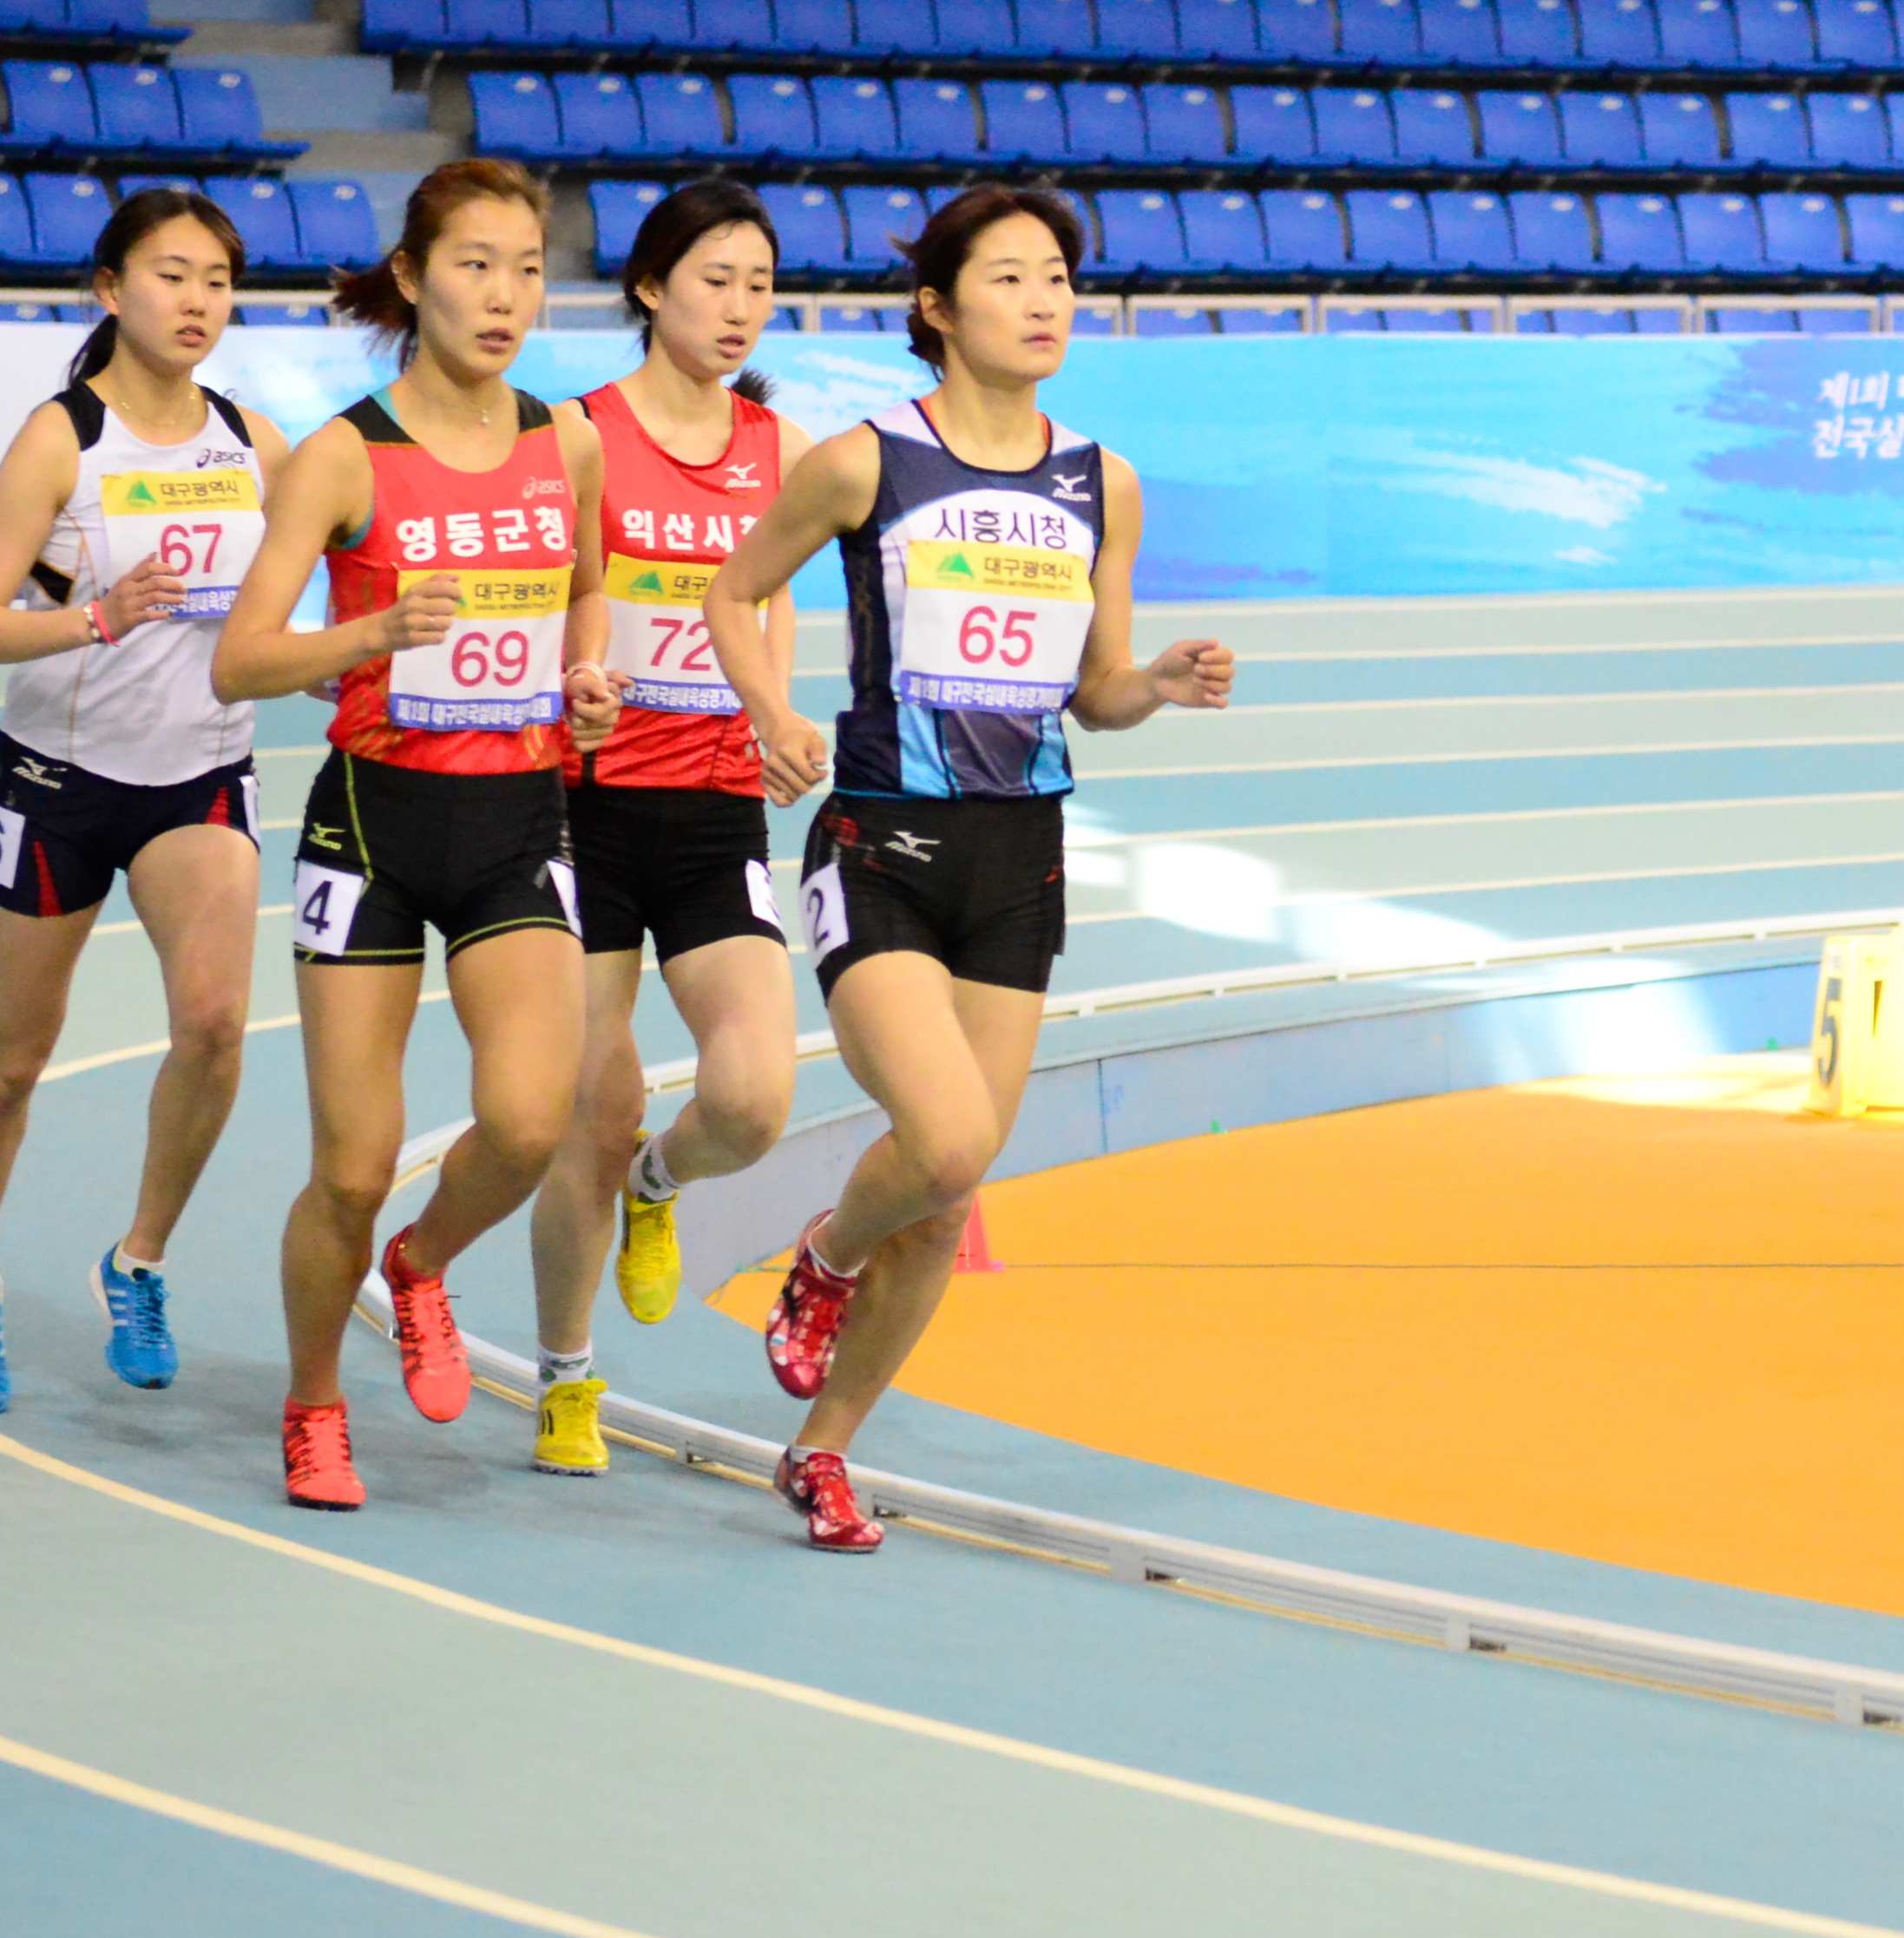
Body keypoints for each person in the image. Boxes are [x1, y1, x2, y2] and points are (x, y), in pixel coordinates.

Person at [695, 185, 1232, 1552]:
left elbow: (1095, 691)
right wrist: (770, 711)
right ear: (937, 307)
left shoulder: (1101, 481)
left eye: (1058, 276)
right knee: (942, 1142)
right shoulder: (866, 463)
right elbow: (731, 589)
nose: (1045, 301)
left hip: (1020, 857)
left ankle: (824, 1451)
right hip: (884, 841)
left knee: (947, 1193)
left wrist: (1156, 684)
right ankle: (824, 1256)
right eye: (1009, 277)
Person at [211, 159, 619, 1511]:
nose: (505, 296)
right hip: (372, 830)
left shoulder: (565, 443)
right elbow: (241, 659)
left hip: (517, 819)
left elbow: (587, 589)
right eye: (475, 265)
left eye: (527, 269)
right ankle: (314, 1404)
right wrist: (371, 633)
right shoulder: (344, 454)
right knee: (350, 1166)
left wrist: (587, 674)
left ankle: (423, 1261)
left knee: (529, 1117)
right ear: (411, 276)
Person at [0, 188, 280, 1414]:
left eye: (217, 281)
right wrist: (96, 617)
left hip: (201, 777)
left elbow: (312, 582)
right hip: (57, 785)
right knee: (10, 1062)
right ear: (110, 289)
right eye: (172, 275)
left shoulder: (253, 440)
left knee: (216, 1024)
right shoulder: (60, 439)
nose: (197, 301)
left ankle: (139, 1260)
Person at [521, 180, 815, 1478]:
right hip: (582, 809)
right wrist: (568, 685)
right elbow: (543, 592)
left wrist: (776, 713)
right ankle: (565, 1377)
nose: (740, 308)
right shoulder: (576, 433)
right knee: (588, 1112)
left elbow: (771, 599)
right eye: (715, 280)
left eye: (760, 285)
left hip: (713, 807)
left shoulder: (782, 448)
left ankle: (658, 1185)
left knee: (750, 1100)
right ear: (649, 288)